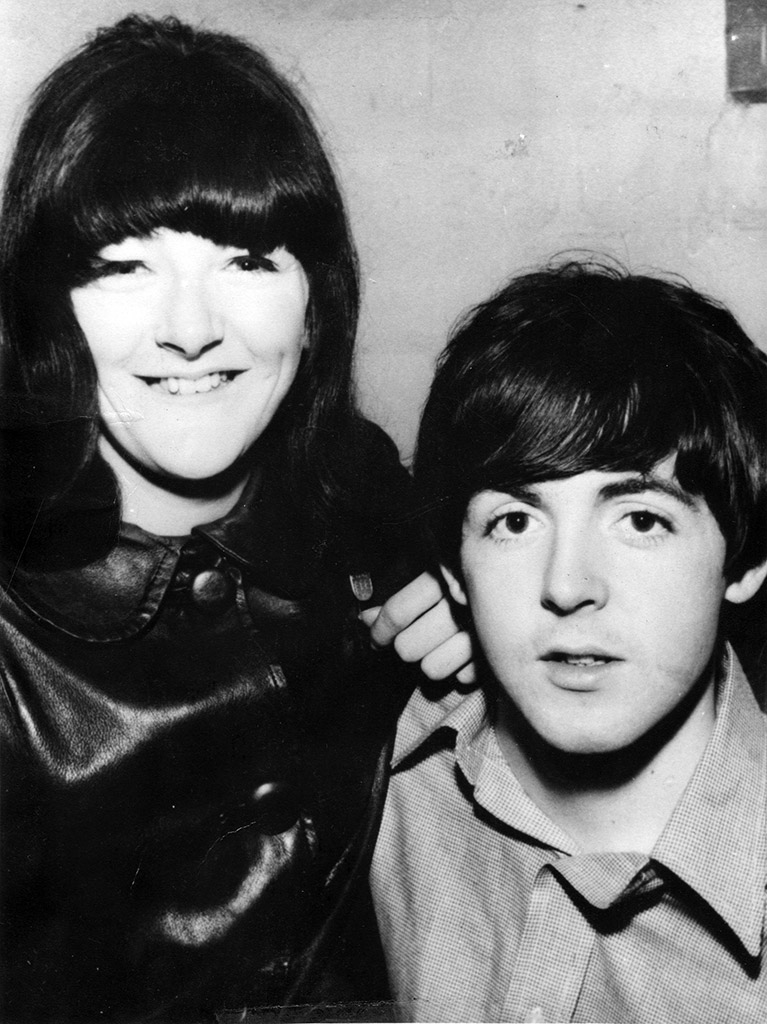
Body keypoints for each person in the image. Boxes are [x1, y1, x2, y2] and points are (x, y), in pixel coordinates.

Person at [0, 15, 469, 1023]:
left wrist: (486, 629)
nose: (189, 329)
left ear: (314, 304)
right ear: (45, 305)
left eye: (246, 260)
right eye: (121, 266)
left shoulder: (375, 508)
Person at [371, 259, 767, 1022]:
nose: (566, 584)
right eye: (514, 522)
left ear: (744, 560)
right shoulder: (385, 774)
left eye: (640, 520)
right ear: (453, 570)